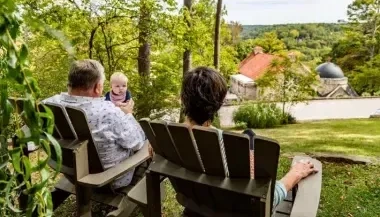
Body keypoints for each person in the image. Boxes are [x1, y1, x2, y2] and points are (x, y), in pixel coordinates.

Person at [180, 66, 318, 209]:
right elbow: (264, 201)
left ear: (183, 99)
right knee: (249, 137)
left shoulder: (166, 139)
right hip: (236, 211)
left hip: (196, 207)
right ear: (219, 103)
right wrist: (294, 175)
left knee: (248, 134)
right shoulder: (230, 147)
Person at [44, 59, 146, 189]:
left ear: (70, 83)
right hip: (107, 180)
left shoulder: (49, 104)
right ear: (98, 87)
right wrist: (127, 114)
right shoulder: (109, 112)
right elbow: (137, 143)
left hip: (71, 173)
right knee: (146, 144)